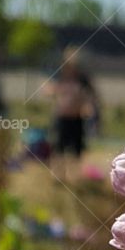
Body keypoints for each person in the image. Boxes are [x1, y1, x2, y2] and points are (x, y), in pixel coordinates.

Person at [47, 48, 99, 178]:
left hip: (76, 119)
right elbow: (48, 89)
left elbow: (91, 96)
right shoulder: (59, 76)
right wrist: (53, 91)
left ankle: (74, 176)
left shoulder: (83, 79)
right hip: (62, 118)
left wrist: (88, 107)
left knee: (77, 149)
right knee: (59, 148)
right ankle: (58, 175)